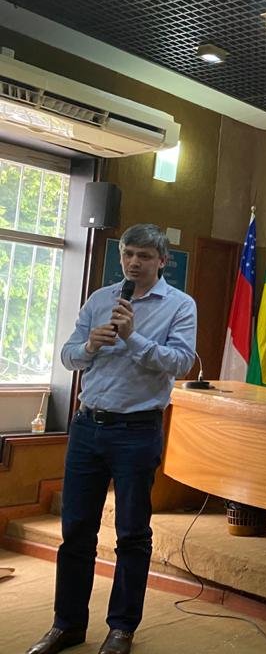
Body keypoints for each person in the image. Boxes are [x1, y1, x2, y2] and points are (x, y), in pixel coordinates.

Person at [27, 224, 197, 654]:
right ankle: (67, 624)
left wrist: (132, 338)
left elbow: (180, 364)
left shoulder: (180, 305)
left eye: (143, 255)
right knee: (76, 530)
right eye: (128, 255)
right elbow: (67, 355)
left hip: (137, 431)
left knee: (132, 534)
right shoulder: (101, 299)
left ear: (162, 261)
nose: (133, 263)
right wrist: (89, 346)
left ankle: (121, 629)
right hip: (87, 426)